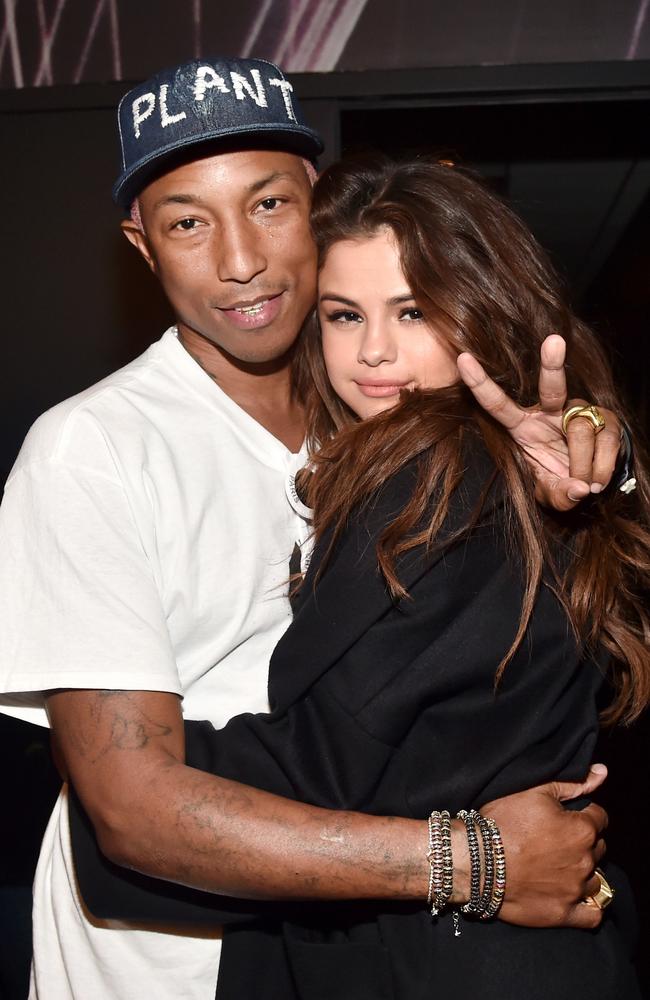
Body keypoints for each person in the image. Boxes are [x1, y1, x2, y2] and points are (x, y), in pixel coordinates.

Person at [0, 57, 624, 1000]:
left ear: (317, 204)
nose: (239, 261)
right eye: (186, 223)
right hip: (163, 954)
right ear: (141, 244)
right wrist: (476, 864)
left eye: (268, 206)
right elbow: (130, 809)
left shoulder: (368, 401)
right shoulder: (93, 448)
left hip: (344, 947)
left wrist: (605, 460)